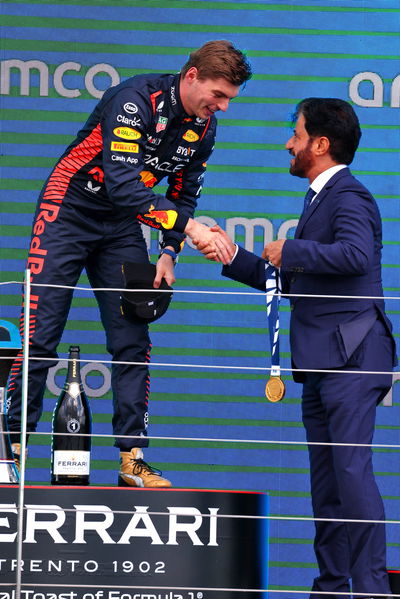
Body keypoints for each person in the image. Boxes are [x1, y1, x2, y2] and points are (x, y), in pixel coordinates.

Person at [7, 40, 251, 488]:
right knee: (40, 331)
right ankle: (11, 448)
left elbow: (184, 192)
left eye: (229, 100)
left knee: (132, 336)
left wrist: (169, 251)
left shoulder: (204, 126)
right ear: (192, 75)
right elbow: (123, 186)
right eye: (218, 95)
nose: (222, 107)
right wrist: (193, 230)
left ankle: (131, 457)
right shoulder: (134, 101)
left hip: (121, 225)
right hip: (69, 208)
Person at [196, 98, 397, 598]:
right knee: (328, 488)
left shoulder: (350, 196)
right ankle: (331, 587)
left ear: (320, 144)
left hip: (351, 357)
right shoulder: (318, 199)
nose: (289, 142)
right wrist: (231, 252)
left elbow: (352, 256)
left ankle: (371, 590)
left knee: (350, 476)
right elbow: (288, 277)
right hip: (322, 362)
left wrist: (292, 249)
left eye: (297, 133)